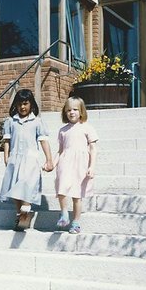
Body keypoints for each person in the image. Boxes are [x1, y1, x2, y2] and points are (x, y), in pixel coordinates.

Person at [0, 88, 54, 229]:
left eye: (25, 103)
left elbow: (43, 141)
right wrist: (6, 157)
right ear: (15, 105)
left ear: (31, 104)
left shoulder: (37, 122)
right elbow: (7, 141)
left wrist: (49, 159)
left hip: (30, 160)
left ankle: (26, 208)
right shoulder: (11, 122)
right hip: (15, 159)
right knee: (15, 186)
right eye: (20, 104)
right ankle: (20, 215)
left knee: (27, 183)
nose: (23, 107)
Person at [55, 95, 98, 235]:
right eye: (68, 110)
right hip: (65, 161)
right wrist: (52, 163)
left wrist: (92, 167)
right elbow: (60, 150)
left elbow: (93, 149)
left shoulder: (87, 128)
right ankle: (64, 214)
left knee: (76, 195)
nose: (71, 112)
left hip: (81, 164)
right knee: (61, 189)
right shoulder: (63, 130)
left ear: (81, 111)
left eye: (75, 109)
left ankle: (76, 222)